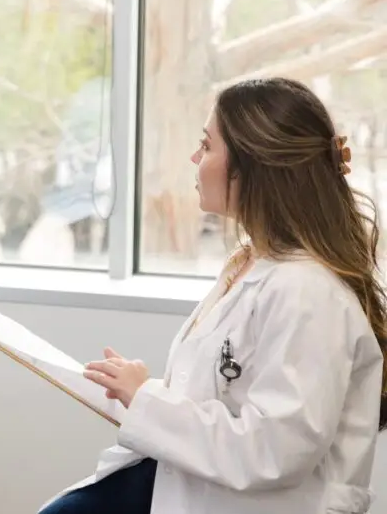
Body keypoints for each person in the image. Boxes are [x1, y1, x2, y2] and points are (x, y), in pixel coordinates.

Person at [41, 77, 387, 514]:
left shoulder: (308, 294)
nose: (194, 158)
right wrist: (145, 391)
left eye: (206, 146)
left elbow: (274, 451)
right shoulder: (249, 265)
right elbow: (229, 397)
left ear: (251, 167)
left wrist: (147, 400)